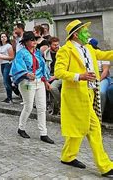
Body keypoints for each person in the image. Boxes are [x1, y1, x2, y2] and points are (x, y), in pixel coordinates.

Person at [55, 19, 113, 177]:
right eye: (85, 31)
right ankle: (105, 166)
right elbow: (59, 72)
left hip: (89, 94)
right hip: (75, 97)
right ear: (75, 35)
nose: (88, 33)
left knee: (79, 128)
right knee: (93, 129)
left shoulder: (88, 48)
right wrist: (79, 76)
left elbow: (103, 54)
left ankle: (67, 156)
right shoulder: (65, 50)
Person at [10, 31, 54, 144]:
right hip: (27, 83)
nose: (34, 42)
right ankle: (21, 128)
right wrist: (26, 73)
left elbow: (42, 67)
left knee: (42, 107)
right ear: (26, 42)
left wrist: (45, 81)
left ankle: (43, 133)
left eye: (35, 39)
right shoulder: (21, 53)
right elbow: (17, 67)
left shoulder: (38, 53)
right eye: (31, 40)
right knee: (28, 106)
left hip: (39, 82)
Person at [0, 32, 14, 103]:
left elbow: (11, 57)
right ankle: (8, 97)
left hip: (7, 64)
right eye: (2, 37)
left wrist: (1, 57)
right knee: (6, 81)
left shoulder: (9, 46)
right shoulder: (0, 46)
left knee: (6, 81)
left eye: (4, 36)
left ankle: (10, 98)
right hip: (2, 64)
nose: (3, 38)